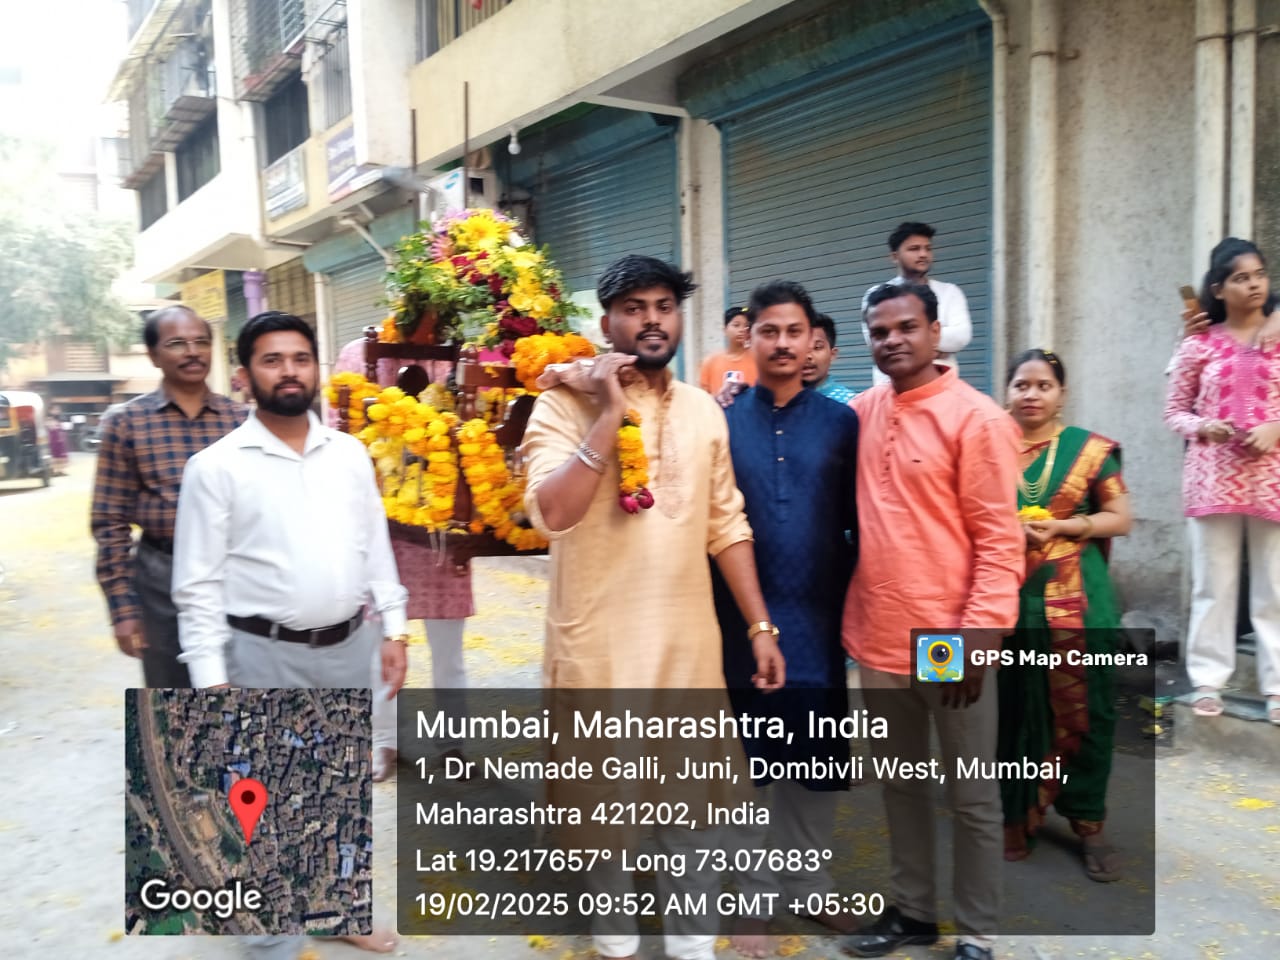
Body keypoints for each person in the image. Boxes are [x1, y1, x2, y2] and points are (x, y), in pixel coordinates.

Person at [522, 254, 785, 960]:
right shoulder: (560, 404)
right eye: (634, 308)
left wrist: (759, 625)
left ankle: (693, 946)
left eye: (664, 306)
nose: (651, 321)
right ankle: (616, 943)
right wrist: (608, 413)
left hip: (685, 646)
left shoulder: (702, 410)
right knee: (602, 812)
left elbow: (725, 522)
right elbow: (553, 514)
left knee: (693, 809)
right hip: (598, 646)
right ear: (606, 321)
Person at [172, 312, 406, 957]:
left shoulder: (350, 454)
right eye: (272, 360)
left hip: (348, 645)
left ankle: (339, 910)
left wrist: (394, 629)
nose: (289, 371)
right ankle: (273, 940)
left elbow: (375, 545)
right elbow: (196, 586)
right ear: (245, 376)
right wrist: (211, 682)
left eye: (300, 358)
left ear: (316, 369)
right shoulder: (215, 467)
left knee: (339, 786)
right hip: (261, 652)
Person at [839, 282, 1023, 960]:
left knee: (971, 795)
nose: (892, 340)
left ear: (936, 331)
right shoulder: (861, 413)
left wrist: (979, 637)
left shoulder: (976, 419)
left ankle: (977, 932)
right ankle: (913, 913)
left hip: (947, 641)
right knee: (901, 786)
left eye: (906, 327)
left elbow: (1000, 541)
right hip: (876, 636)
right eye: (879, 331)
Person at [714, 280, 859, 957]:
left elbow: (860, 522)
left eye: (793, 331)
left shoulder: (841, 423)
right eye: (768, 330)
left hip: (819, 623)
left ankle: (811, 887)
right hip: (741, 622)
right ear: (749, 336)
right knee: (751, 769)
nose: (781, 343)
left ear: (811, 341)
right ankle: (751, 901)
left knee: (817, 766)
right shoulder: (721, 422)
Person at [1000, 348, 1133, 880]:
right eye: (1021, 384)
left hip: (1078, 598)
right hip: (1005, 591)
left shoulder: (1090, 450)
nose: (1031, 394)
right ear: (1007, 391)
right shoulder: (986, 442)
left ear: (1061, 394)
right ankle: (1015, 814)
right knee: (1010, 705)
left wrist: (1067, 527)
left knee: (1090, 707)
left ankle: (1088, 823)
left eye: (1043, 385)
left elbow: (1119, 517)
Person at [331, 336, 474, 781]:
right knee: (380, 648)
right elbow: (338, 431)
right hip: (382, 532)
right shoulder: (359, 354)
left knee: (449, 654)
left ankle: (452, 743)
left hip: (442, 532)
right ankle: (383, 742)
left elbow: (481, 430)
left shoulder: (459, 355)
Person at [91, 305, 245, 686]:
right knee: (173, 697)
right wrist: (123, 609)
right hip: (162, 578)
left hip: (237, 573)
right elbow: (109, 522)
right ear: (153, 355)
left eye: (201, 342)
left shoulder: (242, 420)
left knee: (248, 690)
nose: (192, 352)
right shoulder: (126, 422)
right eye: (177, 344)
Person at [1164, 237, 1280, 724]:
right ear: (1218, 288)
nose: (1253, 285)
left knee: (1275, 588)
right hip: (1213, 479)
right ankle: (1209, 680)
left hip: (1272, 479)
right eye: (1240, 278)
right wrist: (1203, 426)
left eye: (1259, 275)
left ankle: (1277, 688)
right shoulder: (1198, 343)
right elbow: (1174, 411)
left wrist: (1275, 427)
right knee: (1214, 586)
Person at [861, 221, 972, 386]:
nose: (923, 254)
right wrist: (932, 348)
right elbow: (874, 341)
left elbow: (961, 336)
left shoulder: (950, 292)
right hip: (890, 388)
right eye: (914, 249)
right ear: (894, 257)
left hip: (940, 387)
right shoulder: (876, 295)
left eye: (928, 248)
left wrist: (911, 348)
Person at [699, 305, 758, 393]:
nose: (742, 330)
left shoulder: (758, 359)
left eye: (746, 326)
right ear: (725, 329)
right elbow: (704, 396)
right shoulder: (710, 362)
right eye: (736, 325)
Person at [802, 312, 856, 403]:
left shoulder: (852, 403)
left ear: (832, 354)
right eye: (802, 348)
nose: (808, 356)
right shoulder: (780, 403)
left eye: (817, 347)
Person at [47, 404, 69, 475]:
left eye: (58, 409)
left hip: (60, 440)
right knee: (54, 455)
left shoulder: (59, 419)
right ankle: (55, 470)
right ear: (50, 410)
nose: (57, 411)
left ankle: (60, 470)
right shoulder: (49, 419)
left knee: (61, 455)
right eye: (55, 409)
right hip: (53, 440)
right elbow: (51, 428)